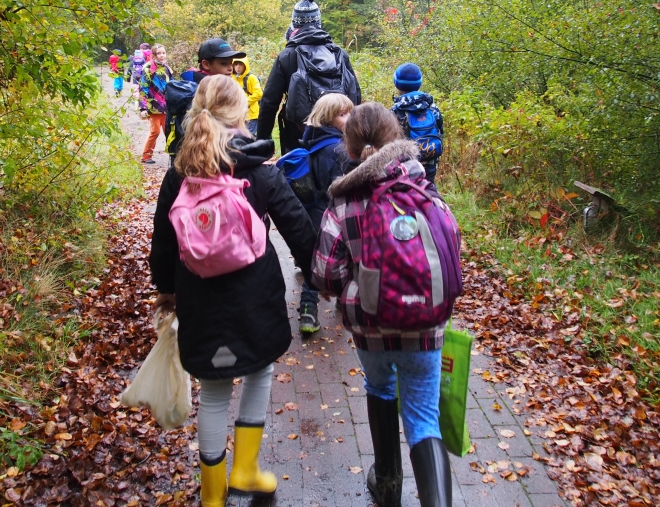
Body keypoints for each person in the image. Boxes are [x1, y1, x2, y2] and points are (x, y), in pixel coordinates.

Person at [150, 75, 317, 507]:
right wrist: (320, 276)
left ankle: (211, 494)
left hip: (199, 294)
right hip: (254, 294)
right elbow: (297, 226)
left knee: (213, 390)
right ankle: (246, 469)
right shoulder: (260, 171)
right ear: (242, 114)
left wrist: (166, 291)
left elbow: (164, 241)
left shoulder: (179, 173)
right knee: (259, 371)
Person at [313, 102, 454, 507]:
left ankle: (388, 483)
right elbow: (450, 250)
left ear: (350, 147)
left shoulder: (343, 202)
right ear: (397, 138)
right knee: (424, 417)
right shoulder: (425, 189)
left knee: (379, 385)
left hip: (370, 322)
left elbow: (325, 274)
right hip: (426, 321)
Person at [256, 0, 362, 154]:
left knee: (299, 175)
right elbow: (356, 95)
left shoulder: (287, 56)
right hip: (339, 132)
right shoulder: (339, 53)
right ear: (319, 22)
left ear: (294, 24)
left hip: (299, 135)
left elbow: (269, 102)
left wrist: (262, 142)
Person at [292, 93, 353, 335]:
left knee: (316, 261)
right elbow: (341, 185)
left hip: (313, 211)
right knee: (345, 256)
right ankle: (340, 302)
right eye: (342, 114)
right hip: (333, 213)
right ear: (328, 120)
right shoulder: (338, 149)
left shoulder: (312, 140)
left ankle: (308, 310)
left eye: (350, 112)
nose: (349, 118)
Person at [165, 38, 245, 162]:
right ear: (206, 64)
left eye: (231, 63)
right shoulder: (198, 93)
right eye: (224, 64)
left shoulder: (219, 89)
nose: (230, 69)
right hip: (194, 159)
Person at [390, 63, 445, 186]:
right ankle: (432, 203)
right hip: (430, 159)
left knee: (409, 192)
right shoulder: (432, 107)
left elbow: (391, 141)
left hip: (407, 164)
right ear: (419, 83)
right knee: (429, 187)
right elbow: (440, 131)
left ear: (396, 84)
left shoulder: (396, 110)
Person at [140, 45, 173, 165]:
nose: (162, 55)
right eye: (159, 53)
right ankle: (146, 156)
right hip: (153, 106)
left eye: (163, 53)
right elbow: (143, 87)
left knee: (169, 132)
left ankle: (174, 156)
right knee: (155, 132)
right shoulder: (148, 68)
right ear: (153, 55)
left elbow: (172, 85)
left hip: (167, 107)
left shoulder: (166, 68)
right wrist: (143, 107)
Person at [232, 57, 263, 136]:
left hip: (251, 115)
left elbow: (258, 93)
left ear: (245, 65)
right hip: (237, 115)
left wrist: (244, 102)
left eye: (240, 64)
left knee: (248, 137)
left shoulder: (251, 78)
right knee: (238, 137)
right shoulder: (232, 78)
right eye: (236, 64)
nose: (238, 67)